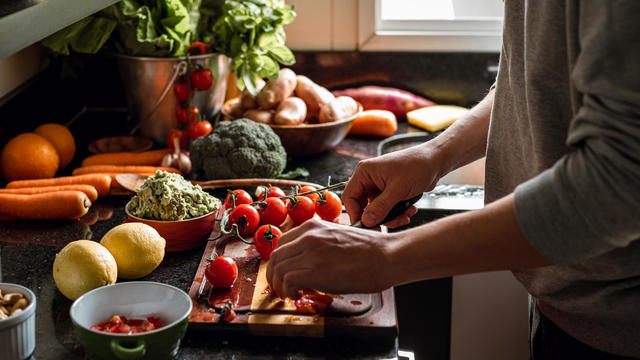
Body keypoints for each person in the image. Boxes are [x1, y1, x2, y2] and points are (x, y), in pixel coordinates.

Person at [266, 1, 640, 359]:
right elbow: (532, 83)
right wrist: (435, 154)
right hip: (568, 305)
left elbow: (618, 184)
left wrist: (387, 256)